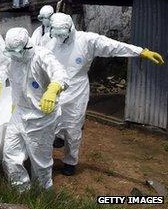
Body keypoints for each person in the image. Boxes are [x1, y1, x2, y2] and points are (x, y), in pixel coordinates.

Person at [47, 13, 165, 176]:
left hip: (76, 90)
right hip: (55, 88)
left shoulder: (86, 40)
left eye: (62, 34)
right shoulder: (50, 43)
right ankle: (57, 139)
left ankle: (70, 161)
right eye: (56, 34)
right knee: (50, 121)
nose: (59, 38)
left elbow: (113, 46)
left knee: (73, 128)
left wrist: (140, 51)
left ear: (70, 29)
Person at [1, 27, 68, 191]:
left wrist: (53, 89)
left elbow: (61, 74)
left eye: (15, 52)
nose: (13, 55)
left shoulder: (41, 56)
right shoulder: (14, 58)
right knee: (10, 154)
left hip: (41, 117)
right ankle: (21, 190)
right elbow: (4, 69)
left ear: (26, 46)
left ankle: (43, 191)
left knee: (40, 160)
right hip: (19, 113)